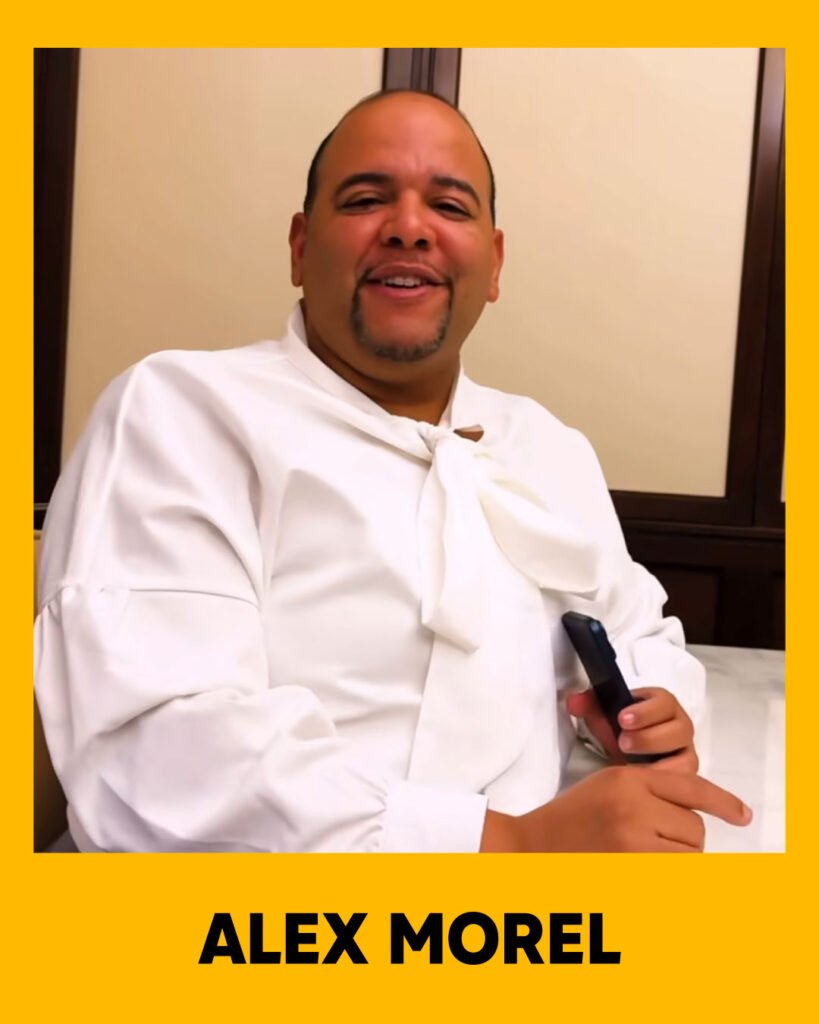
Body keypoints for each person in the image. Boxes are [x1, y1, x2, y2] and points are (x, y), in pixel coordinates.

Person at [34, 89, 751, 853]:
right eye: (366, 199)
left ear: (494, 263)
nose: (409, 228)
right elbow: (158, 750)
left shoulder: (549, 446)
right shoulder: (182, 411)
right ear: (300, 248)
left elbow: (638, 630)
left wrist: (644, 712)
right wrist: (506, 849)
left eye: (449, 205)